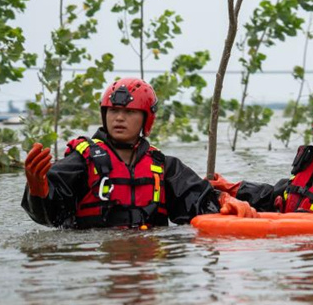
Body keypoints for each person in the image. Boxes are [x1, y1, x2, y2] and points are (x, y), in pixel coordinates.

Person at [22, 77, 256, 229]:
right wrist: (38, 190)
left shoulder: (164, 166)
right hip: (96, 257)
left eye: (129, 112)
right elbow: (49, 218)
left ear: (147, 118)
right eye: (113, 110)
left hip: (148, 255)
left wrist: (226, 199)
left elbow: (199, 199)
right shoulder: (81, 160)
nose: (119, 118)